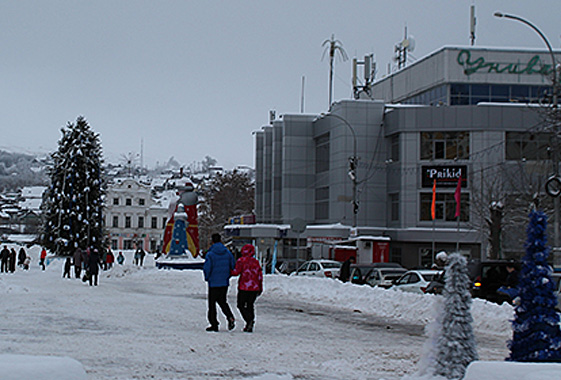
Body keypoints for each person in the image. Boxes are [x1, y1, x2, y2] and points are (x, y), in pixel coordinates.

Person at [202, 233, 236, 332]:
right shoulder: (227, 252)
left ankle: (214, 324)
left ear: (212, 241)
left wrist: (207, 277)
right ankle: (230, 316)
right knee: (222, 301)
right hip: (224, 281)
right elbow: (232, 265)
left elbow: (207, 268)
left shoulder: (210, 253)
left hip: (213, 282)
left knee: (212, 304)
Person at [231, 244, 263, 332]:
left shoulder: (241, 261)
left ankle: (248, 320)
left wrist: (228, 271)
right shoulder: (256, 262)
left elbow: (236, 272)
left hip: (244, 287)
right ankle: (250, 321)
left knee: (240, 305)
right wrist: (260, 287)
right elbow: (260, 275)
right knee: (250, 305)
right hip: (254, 287)